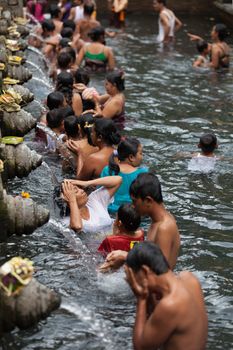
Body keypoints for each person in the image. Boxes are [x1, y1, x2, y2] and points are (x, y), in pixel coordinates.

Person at [125, 242, 208, 350]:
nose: (134, 283)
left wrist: (141, 299)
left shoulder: (170, 304)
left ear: (145, 271)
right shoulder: (189, 278)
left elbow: (141, 347)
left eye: (134, 278)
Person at [100, 173, 180, 271]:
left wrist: (126, 256)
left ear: (148, 201)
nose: (133, 206)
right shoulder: (157, 220)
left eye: (134, 201)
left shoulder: (164, 227)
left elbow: (161, 270)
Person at [101, 137, 148, 213]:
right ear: (131, 157)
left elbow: (99, 196)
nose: (142, 156)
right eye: (141, 153)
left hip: (109, 211)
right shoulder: (143, 173)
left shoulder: (107, 170)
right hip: (131, 213)